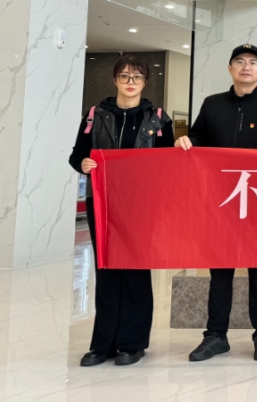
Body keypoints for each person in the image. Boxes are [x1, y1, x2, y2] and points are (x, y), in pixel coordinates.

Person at [177, 44, 257, 363]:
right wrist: (187, 140)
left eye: (253, 62)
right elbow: (198, 138)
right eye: (239, 61)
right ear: (230, 68)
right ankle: (216, 335)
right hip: (222, 202)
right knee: (220, 273)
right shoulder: (212, 104)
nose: (246, 67)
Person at [70, 56, 174, 367]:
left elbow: (168, 164)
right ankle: (103, 344)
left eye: (137, 77)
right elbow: (77, 156)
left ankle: (132, 343)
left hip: (141, 205)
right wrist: (84, 164)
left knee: (135, 271)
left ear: (145, 82)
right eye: (125, 76)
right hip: (103, 202)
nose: (131, 82)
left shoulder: (158, 119)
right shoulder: (95, 115)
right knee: (106, 270)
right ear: (115, 79)